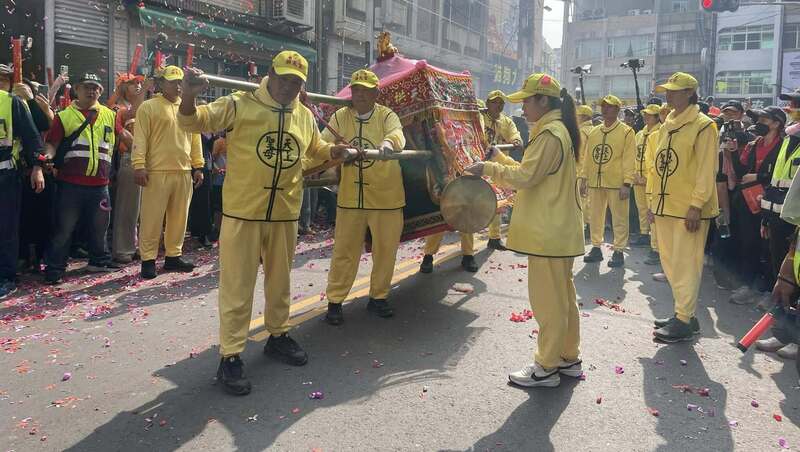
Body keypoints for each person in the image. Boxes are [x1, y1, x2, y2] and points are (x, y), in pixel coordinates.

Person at [177, 51, 350, 395]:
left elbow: (314, 150)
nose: (288, 86)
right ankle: (230, 355)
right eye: (284, 78)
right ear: (270, 73)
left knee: (280, 281)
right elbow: (193, 122)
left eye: (296, 82)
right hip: (244, 212)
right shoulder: (239, 104)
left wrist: (333, 152)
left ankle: (278, 334)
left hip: (285, 213)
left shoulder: (303, 115)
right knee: (237, 286)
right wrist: (188, 95)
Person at [464, 73, 584, 387]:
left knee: (548, 302)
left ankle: (545, 366)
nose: (523, 108)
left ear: (543, 100)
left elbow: (526, 177)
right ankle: (568, 358)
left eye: (527, 101)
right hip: (558, 231)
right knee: (563, 299)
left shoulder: (549, 134)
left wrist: (487, 168)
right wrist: (500, 157)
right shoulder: (558, 131)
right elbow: (533, 172)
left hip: (549, 233)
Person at [322, 69, 406, 324]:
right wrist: (333, 152)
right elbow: (322, 144)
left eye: (365, 90)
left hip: (386, 198)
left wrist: (388, 145)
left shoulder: (386, 115)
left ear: (375, 93)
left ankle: (378, 297)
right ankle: (335, 301)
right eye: (355, 89)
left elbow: (397, 134)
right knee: (344, 251)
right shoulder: (340, 116)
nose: (358, 94)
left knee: (385, 250)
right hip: (350, 198)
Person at [650, 72, 719, 342]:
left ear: (691, 93)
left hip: (688, 209)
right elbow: (658, 167)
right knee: (670, 262)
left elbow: (706, 169)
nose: (670, 95)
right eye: (668, 90)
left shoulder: (704, 126)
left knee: (686, 264)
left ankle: (683, 319)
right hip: (666, 205)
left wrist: (696, 205)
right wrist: (653, 202)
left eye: (676, 91)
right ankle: (685, 314)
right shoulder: (667, 124)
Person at [43, 74, 132, 284]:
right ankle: (55, 268)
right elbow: (52, 143)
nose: (91, 91)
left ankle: (98, 261)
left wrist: (142, 153)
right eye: (86, 87)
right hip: (71, 184)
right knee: (64, 229)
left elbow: (124, 137)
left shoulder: (110, 115)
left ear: (100, 91)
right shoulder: (64, 116)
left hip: (100, 184)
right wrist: (47, 156)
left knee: (100, 227)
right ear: (76, 89)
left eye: (95, 87)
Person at [132, 65, 205, 279]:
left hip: (183, 171)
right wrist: (139, 165)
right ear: (160, 83)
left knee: (179, 218)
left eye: (180, 81)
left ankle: (173, 256)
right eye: (172, 81)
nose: (177, 85)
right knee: (152, 218)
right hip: (156, 171)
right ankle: (148, 260)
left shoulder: (188, 107)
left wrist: (198, 165)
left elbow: (195, 137)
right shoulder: (149, 107)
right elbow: (141, 137)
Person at [728, 107, 786, 308]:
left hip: (773, 205)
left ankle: (769, 291)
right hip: (748, 201)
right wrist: (734, 153)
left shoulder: (784, 146)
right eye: (758, 118)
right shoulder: (753, 145)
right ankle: (748, 286)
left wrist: (759, 177)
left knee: (770, 249)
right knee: (748, 243)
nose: (759, 122)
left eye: (764, 118)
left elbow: (785, 176)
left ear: (777, 123)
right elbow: (741, 172)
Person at [0, 64, 46, 298]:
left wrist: (38, 167)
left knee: (6, 228)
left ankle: (6, 277)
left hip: (6, 175)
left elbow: (32, 138)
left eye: (3, 78)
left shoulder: (11, 102)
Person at [759, 90, 800, 354]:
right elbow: (775, 178)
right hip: (779, 215)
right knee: (782, 275)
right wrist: (766, 217)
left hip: (795, 219)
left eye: (795, 104)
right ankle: (783, 333)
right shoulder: (789, 137)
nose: (790, 107)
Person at [579, 94, 635, 268]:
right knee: (595, 216)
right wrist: (583, 177)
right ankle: (596, 247)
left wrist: (627, 183)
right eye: (603, 106)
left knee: (619, 218)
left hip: (616, 183)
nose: (605, 109)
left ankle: (618, 250)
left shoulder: (626, 131)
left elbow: (629, 158)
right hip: (595, 182)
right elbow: (588, 157)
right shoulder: (595, 131)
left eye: (609, 106)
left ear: (617, 110)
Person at [480, 90, 523, 251]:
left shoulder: (507, 121)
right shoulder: (480, 117)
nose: (498, 105)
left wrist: (516, 140)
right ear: (487, 103)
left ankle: (494, 237)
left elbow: (515, 135)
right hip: (479, 165)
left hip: (498, 167)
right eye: (494, 102)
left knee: (497, 203)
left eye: (500, 103)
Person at [109, 73, 145, 264]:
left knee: (140, 208)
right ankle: (123, 248)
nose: (138, 86)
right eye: (133, 83)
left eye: (140, 83)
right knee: (127, 207)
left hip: (146, 158)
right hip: (128, 157)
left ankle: (137, 244)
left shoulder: (138, 106)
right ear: (123, 86)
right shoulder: (119, 108)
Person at [631, 104, 662, 248]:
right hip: (638, 178)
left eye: (650, 115)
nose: (646, 117)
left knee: (653, 210)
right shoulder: (639, 134)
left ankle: (655, 241)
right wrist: (635, 175)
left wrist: (648, 178)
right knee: (641, 208)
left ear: (657, 117)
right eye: (645, 115)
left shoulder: (661, 134)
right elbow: (634, 156)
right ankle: (644, 233)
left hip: (652, 179)